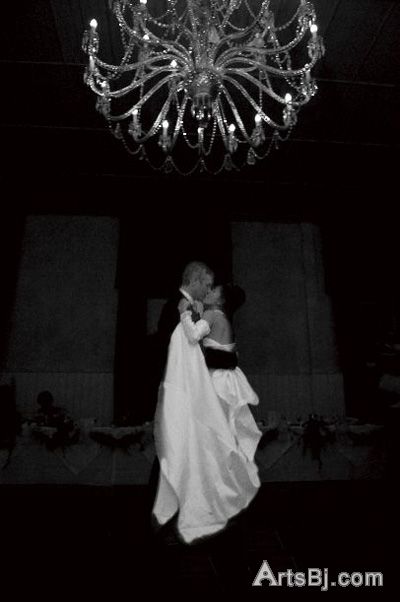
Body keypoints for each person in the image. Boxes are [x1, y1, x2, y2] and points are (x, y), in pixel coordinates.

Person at [152, 282, 262, 545]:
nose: (207, 290)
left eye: (213, 290)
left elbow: (216, 356)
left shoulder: (212, 317)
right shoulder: (213, 317)